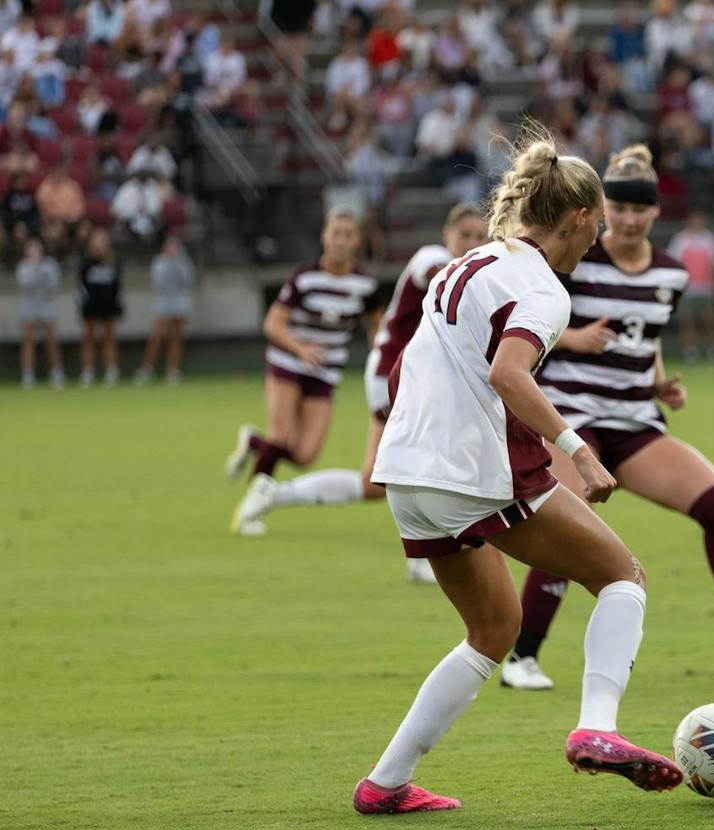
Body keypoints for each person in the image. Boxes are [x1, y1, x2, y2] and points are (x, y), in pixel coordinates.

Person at [351, 129, 682, 814]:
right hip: (474, 469)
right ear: (582, 219)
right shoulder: (544, 290)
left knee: (493, 630)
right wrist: (579, 450)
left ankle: (384, 783)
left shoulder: (469, 261)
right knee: (624, 577)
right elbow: (507, 372)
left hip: (410, 473)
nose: (594, 247)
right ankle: (598, 727)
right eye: (593, 232)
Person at [500, 145, 714, 692]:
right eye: (617, 209)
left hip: (635, 421)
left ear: (655, 213)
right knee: (568, 521)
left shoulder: (671, 275)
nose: (627, 220)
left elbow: (644, 339)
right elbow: (530, 330)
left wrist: (658, 380)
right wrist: (577, 338)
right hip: (574, 416)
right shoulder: (576, 257)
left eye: (638, 210)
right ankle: (522, 657)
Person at [228, 203, 490, 584]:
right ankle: (424, 559)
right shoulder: (434, 259)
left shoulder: (453, 275)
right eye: (464, 236)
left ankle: (275, 494)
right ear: (446, 235)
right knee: (427, 463)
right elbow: (434, 275)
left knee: (374, 483)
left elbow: (382, 321)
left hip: (406, 376)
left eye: (479, 238)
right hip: (394, 376)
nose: (470, 244)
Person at [224, 207, 380, 536]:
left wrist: (384, 360)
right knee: (280, 436)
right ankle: (252, 508)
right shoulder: (304, 277)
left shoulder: (365, 285)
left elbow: (377, 331)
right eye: (335, 233)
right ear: (324, 236)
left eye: (348, 235)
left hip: (325, 374)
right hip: (288, 363)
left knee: (305, 455)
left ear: (357, 241)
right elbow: (273, 324)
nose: (340, 241)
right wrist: (300, 349)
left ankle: (253, 440)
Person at [135, 233, 194, 384]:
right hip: (163, 302)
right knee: (157, 336)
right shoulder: (159, 262)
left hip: (180, 302)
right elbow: (158, 283)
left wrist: (178, 263)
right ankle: (147, 368)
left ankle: (172, 369)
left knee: (176, 337)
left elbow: (188, 279)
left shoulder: (183, 262)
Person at [666, 210, 714, 363]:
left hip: (706, 288)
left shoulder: (711, 239)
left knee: (710, 321)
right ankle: (690, 352)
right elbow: (674, 265)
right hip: (687, 290)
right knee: (687, 322)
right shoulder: (680, 240)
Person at [16, 236, 64, 390]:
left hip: (46, 304)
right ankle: (28, 374)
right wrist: (34, 266)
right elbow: (25, 284)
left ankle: (56, 372)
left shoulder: (51, 265)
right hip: (29, 306)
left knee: (51, 340)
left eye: (37, 249)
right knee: (28, 339)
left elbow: (54, 284)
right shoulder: (23, 266)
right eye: (31, 249)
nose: (35, 252)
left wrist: (39, 270)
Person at [78, 228, 122, 388]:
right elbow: (81, 286)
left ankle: (111, 370)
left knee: (109, 337)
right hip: (91, 305)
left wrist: (117, 305)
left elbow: (117, 287)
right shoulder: (86, 265)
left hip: (108, 305)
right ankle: (87, 371)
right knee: (88, 337)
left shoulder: (113, 264)